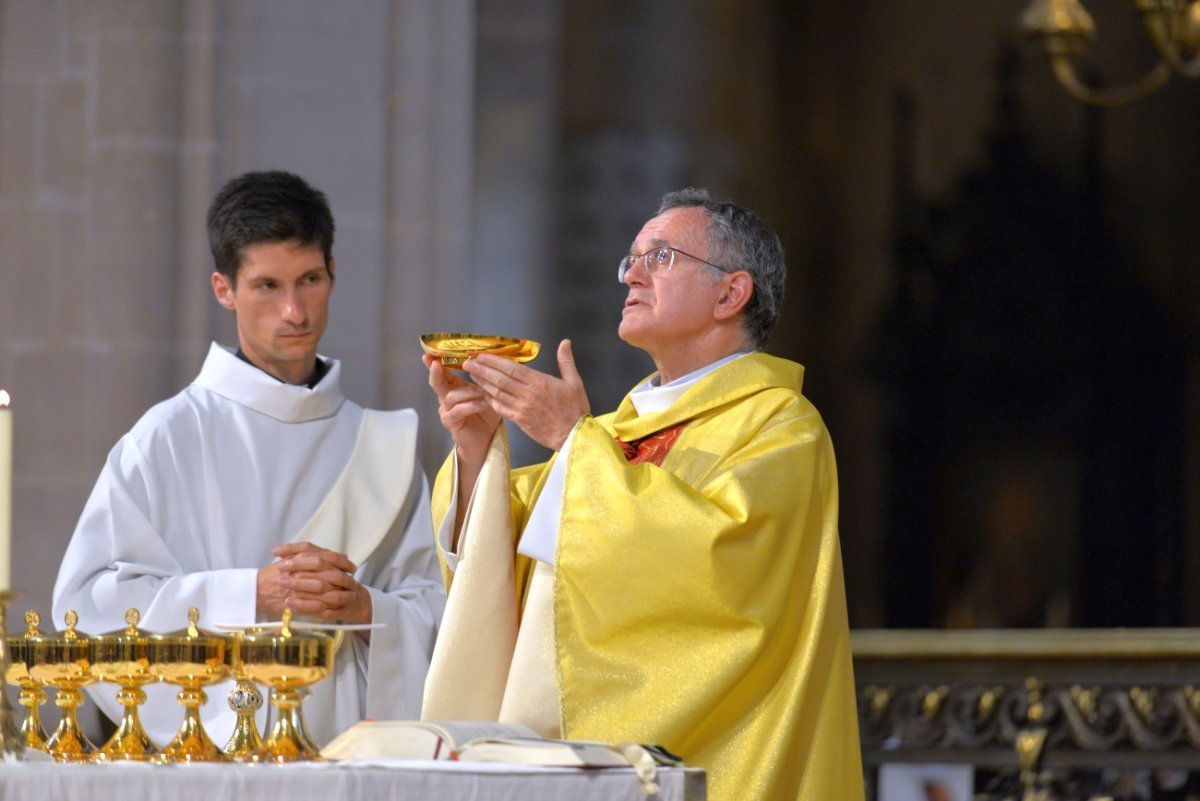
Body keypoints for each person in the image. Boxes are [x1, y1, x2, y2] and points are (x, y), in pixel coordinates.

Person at [420, 188, 864, 800]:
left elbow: (722, 571)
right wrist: (477, 456)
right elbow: (514, 571)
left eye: (659, 258)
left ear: (730, 294)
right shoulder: (610, 436)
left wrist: (570, 440)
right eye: (630, 259)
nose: (630, 273)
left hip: (717, 761)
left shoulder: (782, 426)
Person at [53, 171, 444, 748]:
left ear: (333, 275)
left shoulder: (382, 445)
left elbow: (440, 615)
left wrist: (361, 607)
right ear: (224, 289)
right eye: (267, 285)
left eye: (309, 279)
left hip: (353, 760)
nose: (294, 311)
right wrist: (251, 595)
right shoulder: (166, 438)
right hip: (212, 760)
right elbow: (88, 614)